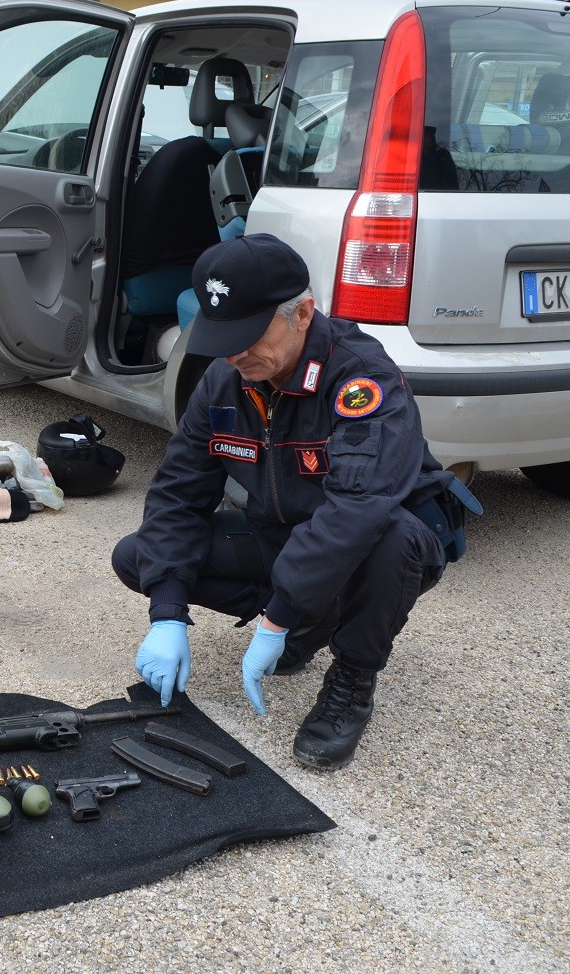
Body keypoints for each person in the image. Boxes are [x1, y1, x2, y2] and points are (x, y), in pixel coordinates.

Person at [113, 233, 467, 771]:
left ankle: (351, 678)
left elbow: (356, 508)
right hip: (285, 533)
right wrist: (167, 614)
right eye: (223, 335)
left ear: (303, 313)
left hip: (372, 542)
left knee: (393, 539)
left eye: (250, 335)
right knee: (141, 557)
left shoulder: (360, 379)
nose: (234, 352)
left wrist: (276, 618)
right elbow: (178, 493)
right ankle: (311, 620)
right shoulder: (225, 380)